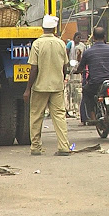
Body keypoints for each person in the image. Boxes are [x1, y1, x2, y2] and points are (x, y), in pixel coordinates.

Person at [23, 15, 71, 156]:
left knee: (36, 116)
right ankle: (64, 147)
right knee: (59, 116)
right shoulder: (61, 43)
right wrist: (62, 79)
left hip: (40, 87)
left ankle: (35, 147)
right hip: (57, 87)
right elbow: (65, 66)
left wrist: (28, 89)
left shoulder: (37, 44)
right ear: (54, 28)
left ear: (43, 28)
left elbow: (34, 69)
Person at [75, 27, 109, 122]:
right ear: (104, 37)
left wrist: (79, 70)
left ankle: (93, 117)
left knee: (87, 93)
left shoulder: (88, 52)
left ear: (93, 38)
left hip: (96, 82)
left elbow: (81, 67)